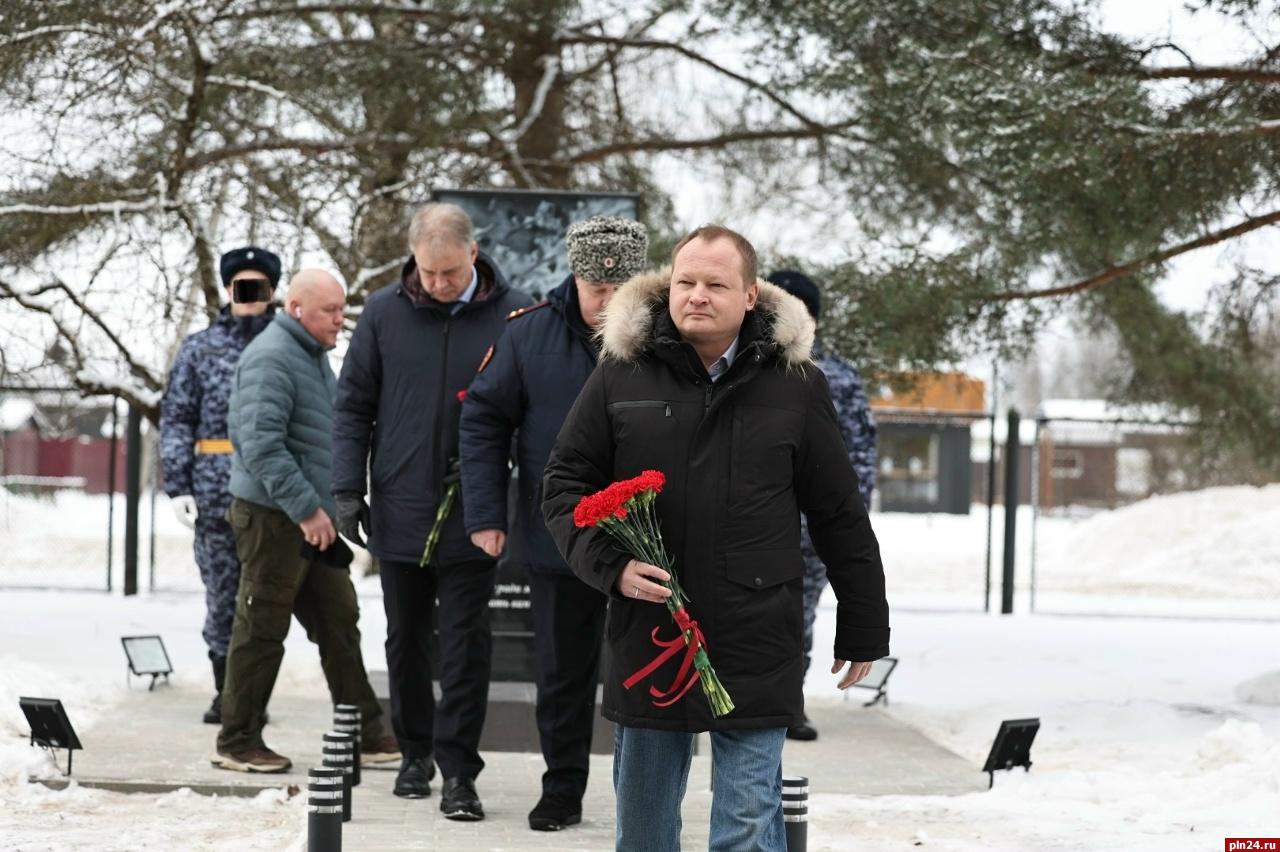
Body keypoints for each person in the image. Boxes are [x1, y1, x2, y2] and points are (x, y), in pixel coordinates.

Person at [542, 225, 890, 852]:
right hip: (651, 636)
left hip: (757, 631)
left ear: (751, 294)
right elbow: (565, 485)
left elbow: (839, 512)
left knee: (748, 827)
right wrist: (611, 566)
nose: (697, 295)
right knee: (645, 831)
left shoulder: (797, 385)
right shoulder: (621, 374)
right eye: (685, 282)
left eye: (715, 284)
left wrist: (864, 624)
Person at [332, 203, 532, 817]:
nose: (438, 285)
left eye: (448, 272)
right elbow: (353, 406)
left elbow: (532, 406)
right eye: (427, 273)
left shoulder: (515, 314)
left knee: (467, 643)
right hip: (400, 504)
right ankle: (415, 751)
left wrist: (504, 472)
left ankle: (458, 771)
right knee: (406, 639)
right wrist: (346, 488)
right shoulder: (385, 313)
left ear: (474, 254)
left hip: (477, 511)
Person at [459, 216, 650, 831]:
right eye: (596, 287)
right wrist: (487, 512)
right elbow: (483, 421)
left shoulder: (666, 339)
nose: (607, 302)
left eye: (619, 288)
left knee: (643, 674)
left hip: (648, 539)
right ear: (574, 275)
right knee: (562, 673)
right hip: (560, 537)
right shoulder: (528, 334)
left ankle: (644, 796)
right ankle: (562, 790)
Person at [212, 269, 399, 774]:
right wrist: (307, 510)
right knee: (262, 627)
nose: (341, 320)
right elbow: (261, 445)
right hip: (275, 519)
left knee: (340, 621)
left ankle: (367, 732)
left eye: (342, 309)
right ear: (296, 308)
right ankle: (237, 742)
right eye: (330, 311)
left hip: (308, 521)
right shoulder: (272, 359)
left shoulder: (312, 357)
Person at [160, 246, 280, 724]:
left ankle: (255, 696)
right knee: (223, 593)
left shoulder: (290, 346)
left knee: (267, 595)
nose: (251, 296)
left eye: (260, 287)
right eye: (242, 287)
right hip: (215, 492)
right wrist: (178, 485)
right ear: (229, 291)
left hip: (275, 491)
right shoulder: (199, 348)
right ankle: (226, 694)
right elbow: (176, 419)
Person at [766, 269, 879, 742]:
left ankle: (788, 703)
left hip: (810, 529)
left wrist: (845, 526)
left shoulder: (835, 376)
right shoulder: (742, 366)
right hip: (750, 525)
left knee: (799, 616)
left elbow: (860, 454)